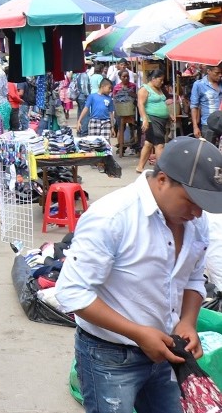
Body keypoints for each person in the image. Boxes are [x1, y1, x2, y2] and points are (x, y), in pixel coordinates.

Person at [56, 136, 222, 413]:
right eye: (192, 200)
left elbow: (193, 278)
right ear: (162, 180)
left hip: (164, 349)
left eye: (203, 205)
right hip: (110, 356)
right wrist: (138, 333)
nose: (196, 212)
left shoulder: (195, 220)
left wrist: (188, 322)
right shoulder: (112, 217)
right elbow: (72, 293)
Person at [136, 70, 172, 174]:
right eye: (160, 80)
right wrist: (145, 119)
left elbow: (162, 103)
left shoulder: (159, 89)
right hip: (152, 120)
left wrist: (169, 115)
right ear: (153, 79)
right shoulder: (144, 89)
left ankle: (140, 166)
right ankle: (160, 170)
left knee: (148, 143)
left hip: (161, 120)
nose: (162, 82)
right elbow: (140, 105)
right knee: (159, 144)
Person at [190, 64, 222, 145]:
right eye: (217, 73)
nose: (220, 75)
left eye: (221, 73)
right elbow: (194, 106)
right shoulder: (199, 85)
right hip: (207, 125)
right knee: (209, 151)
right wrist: (195, 127)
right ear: (209, 71)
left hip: (221, 123)